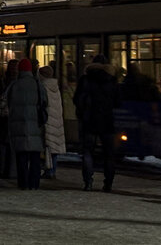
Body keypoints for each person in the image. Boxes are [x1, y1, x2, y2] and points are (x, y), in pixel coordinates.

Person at [73, 54, 122, 192]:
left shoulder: (85, 79)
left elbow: (77, 99)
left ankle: (88, 182)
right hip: (107, 121)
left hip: (89, 120)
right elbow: (118, 102)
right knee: (109, 154)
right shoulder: (112, 80)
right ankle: (108, 184)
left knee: (88, 152)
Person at [7, 57, 47, 190]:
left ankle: (23, 183)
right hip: (35, 125)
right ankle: (34, 183)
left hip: (18, 126)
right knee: (35, 158)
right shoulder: (37, 84)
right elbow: (44, 102)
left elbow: (5, 102)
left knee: (21, 158)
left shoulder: (14, 85)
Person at [0, 58, 19, 179]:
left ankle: (2, 171)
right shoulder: (19, 83)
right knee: (13, 147)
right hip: (15, 120)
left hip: (2, 120)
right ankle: (12, 172)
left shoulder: (1, 82)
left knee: (2, 147)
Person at [38, 65, 65, 179]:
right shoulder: (55, 86)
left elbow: (43, 104)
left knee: (48, 146)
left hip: (48, 120)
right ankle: (53, 169)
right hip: (57, 120)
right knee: (54, 148)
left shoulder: (43, 87)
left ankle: (49, 171)